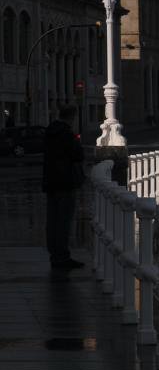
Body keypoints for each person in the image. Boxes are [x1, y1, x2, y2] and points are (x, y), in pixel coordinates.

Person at [43, 106, 85, 270]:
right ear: (72, 117)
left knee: (52, 220)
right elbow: (78, 155)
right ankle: (62, 256)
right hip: (65, 182)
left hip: (51, 182)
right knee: (64, 221)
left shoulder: (50, 132)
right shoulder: (67, 134)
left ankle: (55, 255)